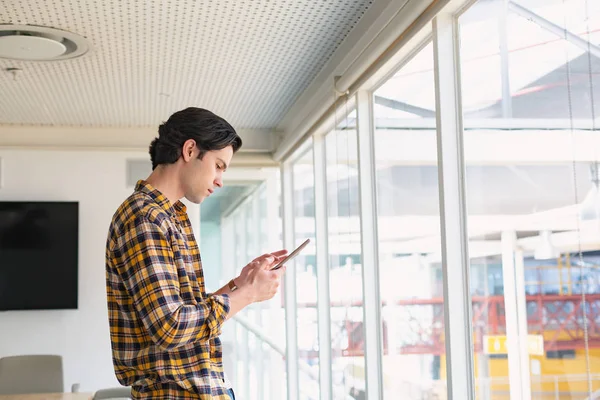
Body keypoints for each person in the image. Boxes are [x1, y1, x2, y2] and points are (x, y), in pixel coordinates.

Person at [105, 107, 287, 399]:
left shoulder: (169, 216)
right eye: (218, 165)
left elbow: (184, 315)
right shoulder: (145, 217)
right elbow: (170, 328)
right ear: (190, 150)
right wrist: (249, 294)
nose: (219, 180)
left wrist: (240, 284)